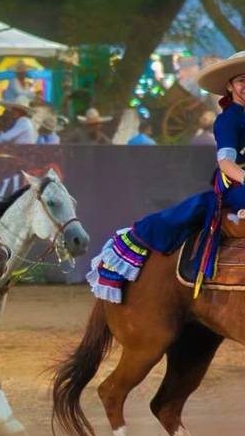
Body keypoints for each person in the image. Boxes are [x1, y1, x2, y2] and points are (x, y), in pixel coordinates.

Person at [88, 51, 245, 300]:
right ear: (230, 85)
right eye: (241, 80)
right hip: (238, 186)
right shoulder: (228, 120)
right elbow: (226, 161)